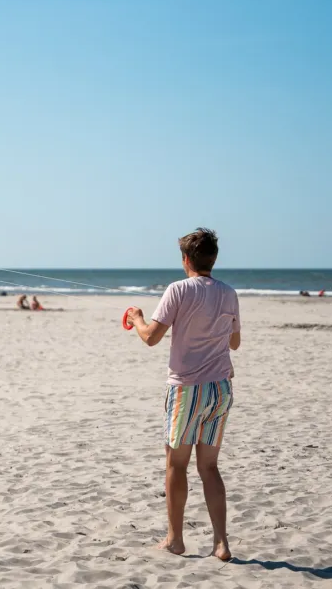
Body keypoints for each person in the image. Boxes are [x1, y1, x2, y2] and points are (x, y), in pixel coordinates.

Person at [126, 228, 240, 561]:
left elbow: (150, 337)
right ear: (213, 260)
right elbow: (234, 342)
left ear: (185, 259)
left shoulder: (177, 289)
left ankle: (175, 539)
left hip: (187, 388)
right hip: (220, 388)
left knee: (176, 465)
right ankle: (221, 543)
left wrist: (136, 318)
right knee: (210, 467)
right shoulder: (229, 293)